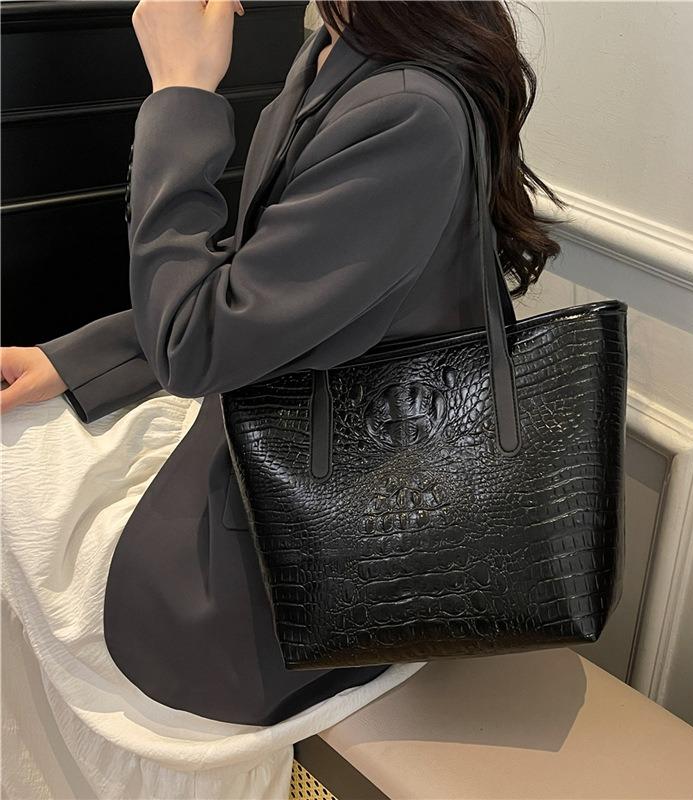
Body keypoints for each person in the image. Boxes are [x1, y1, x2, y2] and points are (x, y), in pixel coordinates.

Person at [1, 0, 564, 773]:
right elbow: (269, 277)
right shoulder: (343, 44)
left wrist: (179, 94)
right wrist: (76, 360)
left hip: (319, 561)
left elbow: (200, 346)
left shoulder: (408, 107)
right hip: (297, 451)